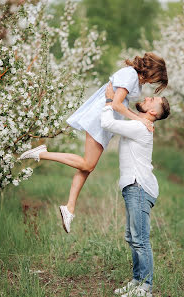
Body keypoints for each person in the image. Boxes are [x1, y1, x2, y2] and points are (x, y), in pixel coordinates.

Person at [17, 53, 168, 233]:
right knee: (88, 164)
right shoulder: (130, 75)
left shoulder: (133, 78)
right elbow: (116, 104)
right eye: (155, 79)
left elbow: (120, 104)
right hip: (101, 116)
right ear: (152, 71)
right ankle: (42, 153)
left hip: (105, 116)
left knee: (88, 166)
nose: (153, 83)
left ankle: (70, 207)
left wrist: (136, 118)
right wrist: (140, 119)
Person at [101, 82, 170, 297]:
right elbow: (128, 113)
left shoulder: (140, 127)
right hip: (133, 186)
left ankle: (146, 288)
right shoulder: (141, 123)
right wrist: (118, 103)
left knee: (140, 239)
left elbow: (106, 122)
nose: (147, 97)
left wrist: (109, 101)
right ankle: (137, 281)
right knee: (133, 238)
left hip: (138, 186)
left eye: (152, 100)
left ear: (151, 112)